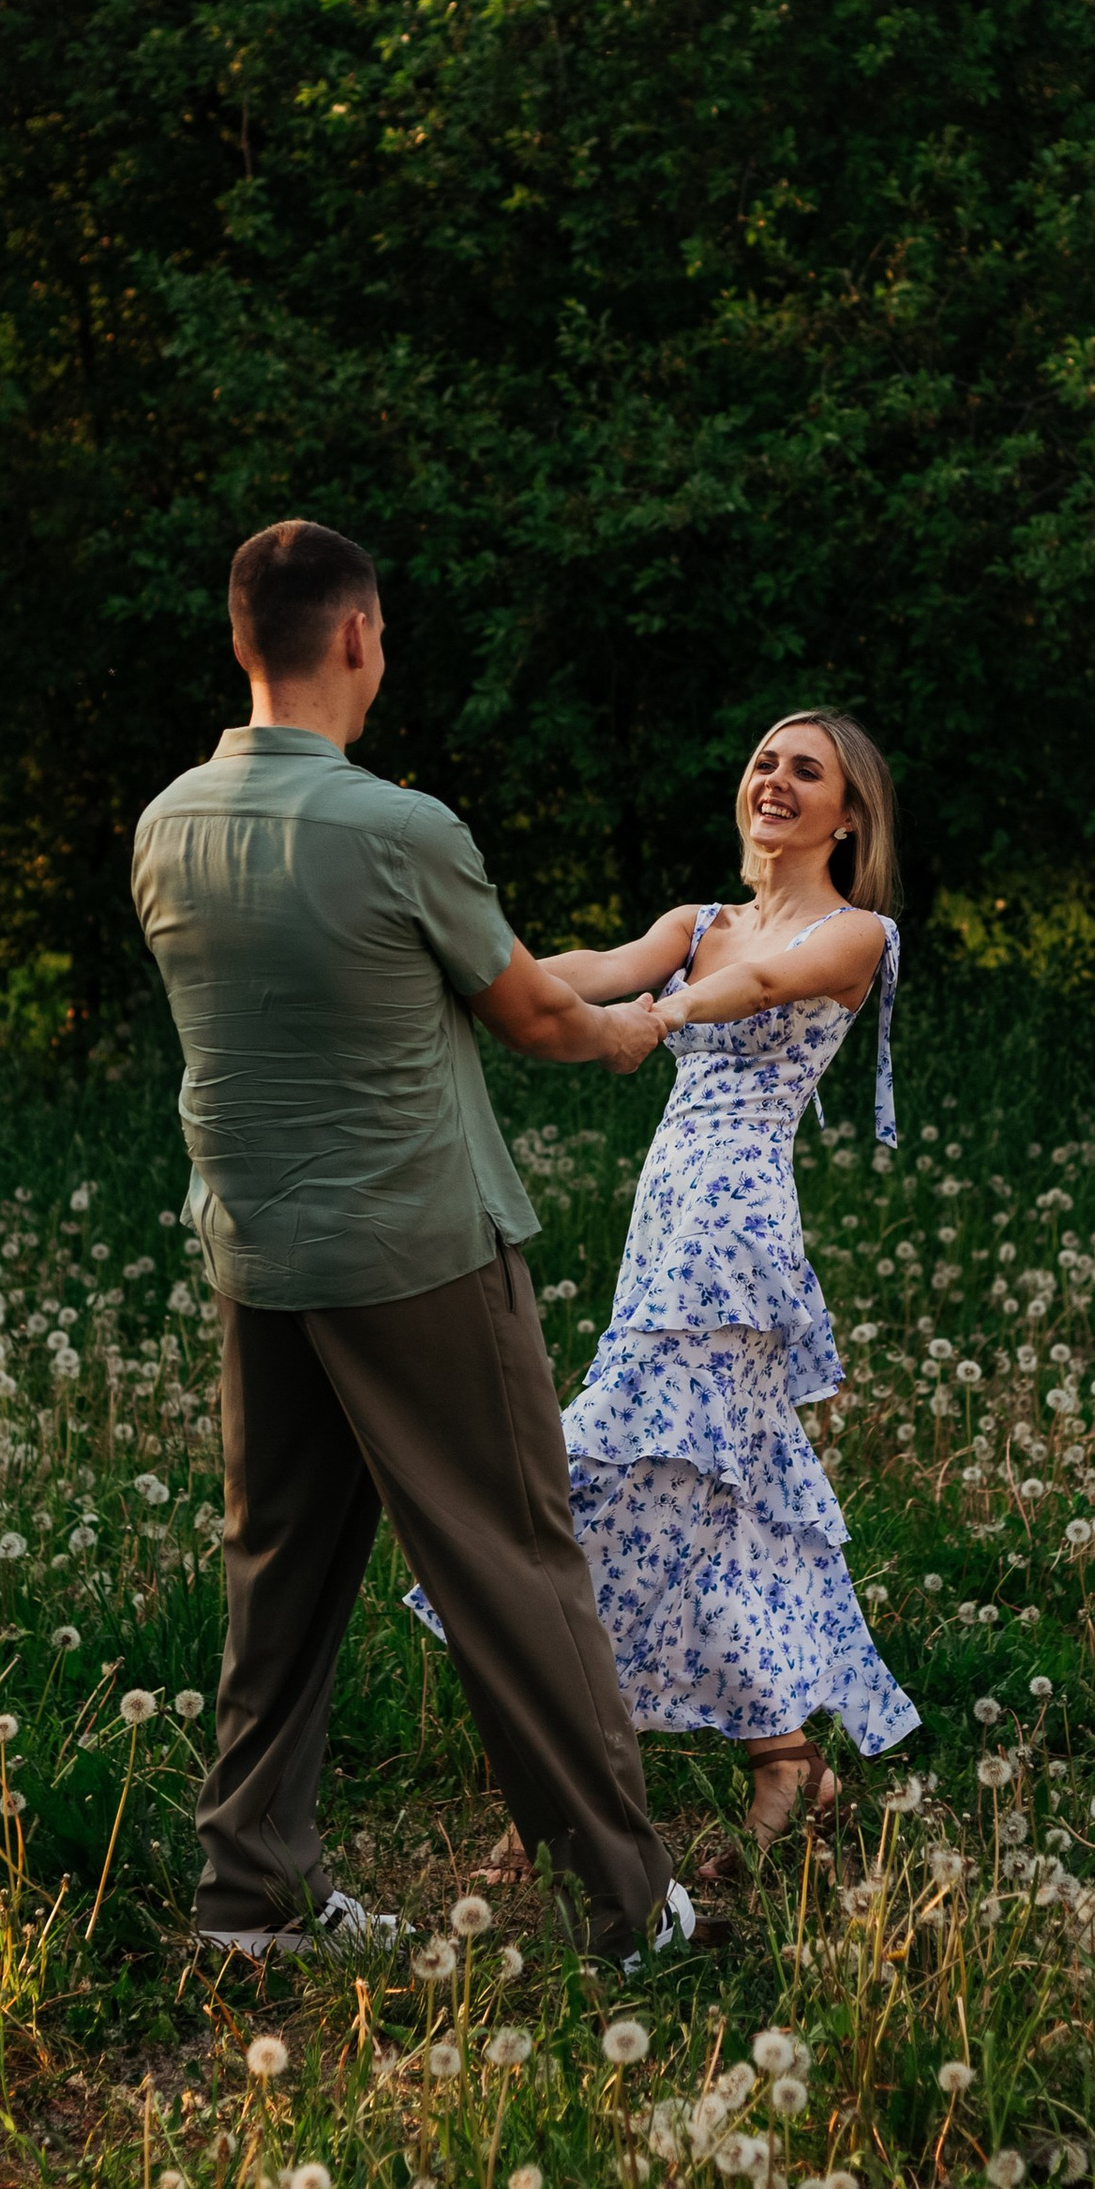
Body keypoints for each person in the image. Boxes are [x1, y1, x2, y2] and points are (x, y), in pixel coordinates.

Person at [129, 516, 691, 1969]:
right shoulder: (399, 828)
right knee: (514, 1559)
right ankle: (632, 1909)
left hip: (260, 1257)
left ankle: (249, 1895)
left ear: (240, 640)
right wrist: (633, 1029)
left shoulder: (168, 823)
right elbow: (536, 1016)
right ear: (360, 636)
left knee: (281, 1568)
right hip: (417, 1254)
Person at [416, 708, 918, 1848]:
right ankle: (784, 1764)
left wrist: (661, 1014)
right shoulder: (697, 923)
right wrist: (478, 978)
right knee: (712, 1496)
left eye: (806, 771)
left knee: (599, 1475)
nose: (774, 780)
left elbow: (762, 986)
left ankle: (566, 1780)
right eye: (764, 762)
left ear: (848, 816)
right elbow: (589, 970)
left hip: (731, 1240)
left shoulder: (857, 934)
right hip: (666, 1226)